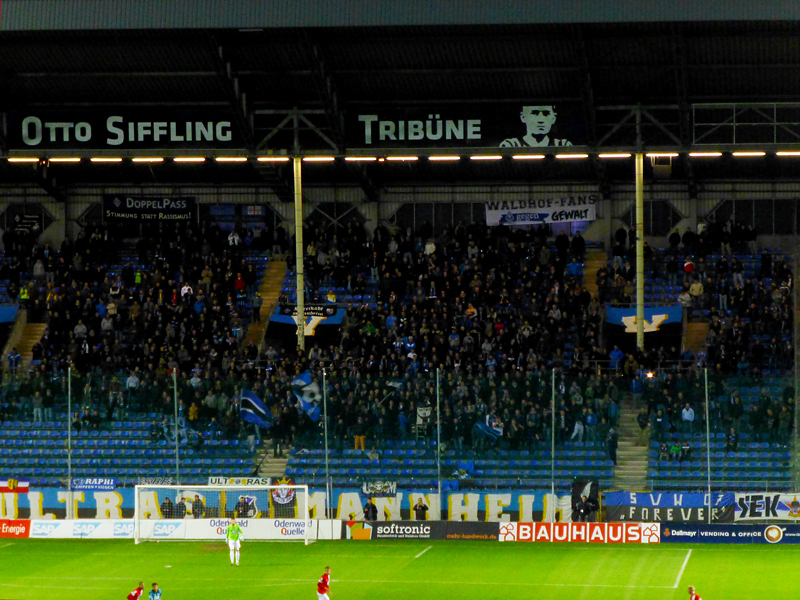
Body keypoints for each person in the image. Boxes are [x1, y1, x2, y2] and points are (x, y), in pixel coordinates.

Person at [500, 105, 572, 147]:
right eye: (534, 113)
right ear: (523, 117)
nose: (541, 120)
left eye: (546, 114)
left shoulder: (562, 145)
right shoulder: (511, 145)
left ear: (554, 118)